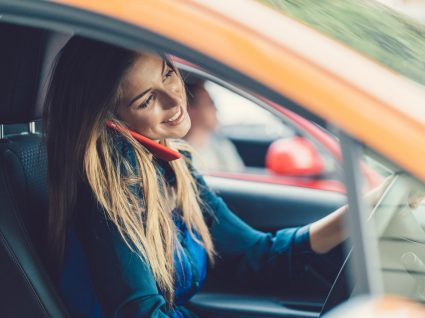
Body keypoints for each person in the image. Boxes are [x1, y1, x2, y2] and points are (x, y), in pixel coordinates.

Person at [43, 36, 366, 318]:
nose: (175, 100)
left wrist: (361, 213)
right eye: (147, 100)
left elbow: (252, 254)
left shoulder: (171, 163)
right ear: (111, 121)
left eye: (167, 74)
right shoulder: (115, 187)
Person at [184, 81, 245, 172]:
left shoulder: (222, 145)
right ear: (191, 110)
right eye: (210, 104)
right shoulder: (180, 153)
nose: (216, 109)